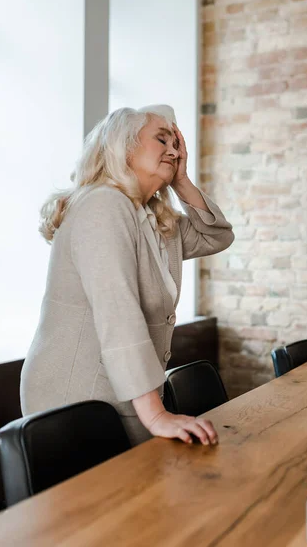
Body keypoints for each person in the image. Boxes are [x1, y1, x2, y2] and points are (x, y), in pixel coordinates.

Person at [20, 105, 234, 447]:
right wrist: (156, 414)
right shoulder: (103, 204)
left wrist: (181, 181)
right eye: (161, 139)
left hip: (126, 393)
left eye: (177, 143)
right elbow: (117, 311)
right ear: (124, 146)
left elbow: (217, 236)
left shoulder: (153, 217)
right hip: (78, 397)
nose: (175, 150)